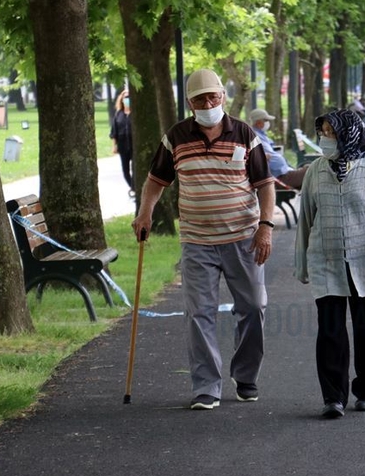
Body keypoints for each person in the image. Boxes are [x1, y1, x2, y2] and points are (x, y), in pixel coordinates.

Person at [132, 69, 275, 411]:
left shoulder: (244, 134)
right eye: (200, 99)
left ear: (222, 98)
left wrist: (266, 225)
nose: (208, 104)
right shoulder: (176, 137)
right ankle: (206, 386)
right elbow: (155, 181)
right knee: (199, 313)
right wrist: (145, 213)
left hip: (243, 237)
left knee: (253, 307)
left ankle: (245, 375)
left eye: (213, 97)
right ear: (189, 103)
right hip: (196, 240)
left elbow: (265, 184)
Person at [294, 109, 365, 419]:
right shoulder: (315, 170)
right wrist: (301, 263)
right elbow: (306, 220)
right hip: (326, 261)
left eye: (330, 132)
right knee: (330, 332)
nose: (324, 139)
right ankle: (333, 397)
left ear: (347, 134)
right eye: (323, 132)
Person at [249, 108, 307, 190]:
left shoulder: (261, 134)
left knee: (310, 171)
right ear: (258, 123)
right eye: (266, 120)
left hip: (283, 173)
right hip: (279, 177)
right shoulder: (255, 136)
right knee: (312, 170)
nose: (268, 123)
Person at [110, 89, 134, 195]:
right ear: (122, 99)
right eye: (125, 97)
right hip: (123, 146)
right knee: (125, 171)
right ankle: (133, 188)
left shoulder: (135, 114)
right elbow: (114, 132)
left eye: (129, 97)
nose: (127, 99)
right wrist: (114, 146)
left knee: (136, 169)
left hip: (134, 146)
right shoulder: (118, 114)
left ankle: (135, 188)